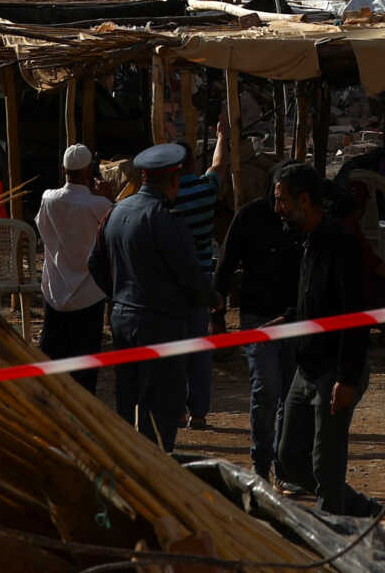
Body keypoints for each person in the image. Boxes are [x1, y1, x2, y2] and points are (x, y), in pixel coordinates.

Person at [87, 141, 213, 452]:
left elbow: (94, 263)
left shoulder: (116, 212)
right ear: (173, 180)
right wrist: (208, 300)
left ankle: (129, 458)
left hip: (123, 318)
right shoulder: (164, 218)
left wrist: (118, 295)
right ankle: (155, 462)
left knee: (128, 394)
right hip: (160, 322)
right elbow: (188, 274)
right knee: (162, 403)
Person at [272, 163, 375, 516]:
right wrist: (287, 320)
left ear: (303, 199)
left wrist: (346, 379)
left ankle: (334, 538)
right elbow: (314, 301)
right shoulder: (308, 241)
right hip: (307, 369)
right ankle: (361, 509)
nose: (278, 209)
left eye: (282, 200)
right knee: (288, 458)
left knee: (325, 469)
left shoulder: (341, 243)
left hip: (335, 370)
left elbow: (356, 315)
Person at [215, 172, 305, 481]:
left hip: (295, 318)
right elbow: (227, 260)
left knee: (291, 396)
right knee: (266, 388)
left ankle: (285, 466)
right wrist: (218, 299)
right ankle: (261, 462)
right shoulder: (251, 216)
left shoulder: (305, 220)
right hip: (258, 317)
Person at [36, 144, 112, 392]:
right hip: (88, 293)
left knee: (51, 355)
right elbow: (113, 232)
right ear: (89, 170)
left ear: (64, 170)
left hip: (55, 289)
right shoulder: (98, 205)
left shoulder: (48, 198)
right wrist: (108, 197)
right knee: (85, 360)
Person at [170, 138, 224, 430]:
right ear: (192, 163)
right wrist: (221, 138)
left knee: (177, 347)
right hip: (202, 278)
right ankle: (199, 412)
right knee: (199, 348)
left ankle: (178, 410)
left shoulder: (168, 197)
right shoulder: (206, 190)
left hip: (174, 281)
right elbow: (218, 166)